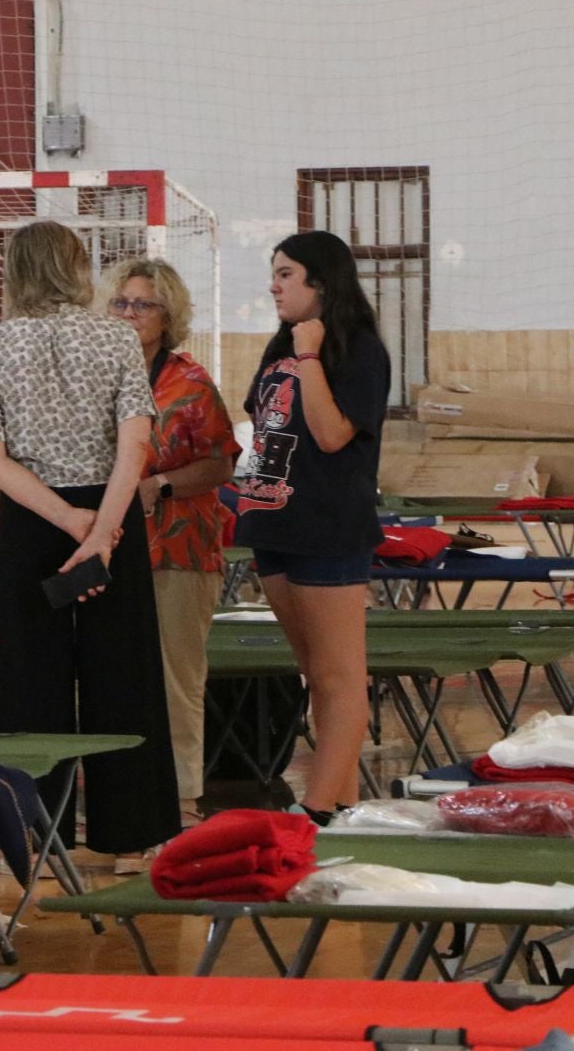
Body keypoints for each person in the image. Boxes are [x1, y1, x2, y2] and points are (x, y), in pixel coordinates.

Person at [0, 222, 180, 860]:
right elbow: (134, 444)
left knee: (28, 678)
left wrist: (64, 520)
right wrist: (103, 529)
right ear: (77, 267)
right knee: (127, 674)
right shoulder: (117, 338)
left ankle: (30, 831)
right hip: (110, 518)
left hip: (36, 519)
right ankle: (133, 830)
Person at [232, 230, 391, 827]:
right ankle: (345, 800)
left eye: (286, 274)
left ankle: (318, 808)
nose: (274, 285)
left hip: (330, 525)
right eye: (274, 273)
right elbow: (265, 425)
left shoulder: (357, 351)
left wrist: (308, 357)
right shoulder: (281, 347)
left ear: (322, 282)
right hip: (275, 523)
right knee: (314, 674)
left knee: (338, 673)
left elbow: (330, 434)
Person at [101, 258, 238, 825]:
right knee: (111, 676)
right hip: (105, 544)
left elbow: (223, 462)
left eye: (144, 304)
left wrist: (161, 485)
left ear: (168, 315)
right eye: (122, 303)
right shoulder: (95, 373)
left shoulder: (191, 382)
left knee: (175, 677)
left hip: (178, 546)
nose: (131, 314)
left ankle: (180, 800)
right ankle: (113, 797)